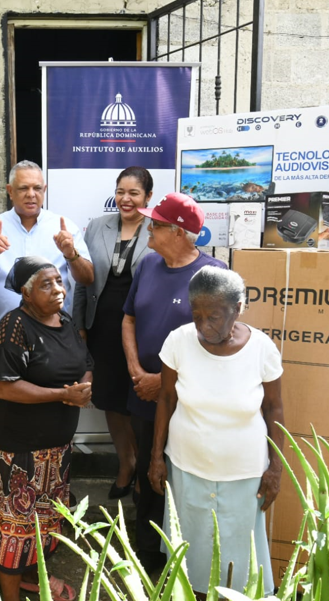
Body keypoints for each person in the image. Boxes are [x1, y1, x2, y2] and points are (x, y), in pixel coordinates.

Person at [149, 266, 285, 598]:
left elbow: (274, 409)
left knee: (241, 548)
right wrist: (156, 458)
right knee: (192, 544)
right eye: (197, 316)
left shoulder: (262, 348)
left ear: (238, 308)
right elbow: (166, 399)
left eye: (215, 316)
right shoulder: (178, 342)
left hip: (245, 473)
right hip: (186, 465)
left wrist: (276, 468)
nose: (205, 326)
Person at [122, 192, 227, 572]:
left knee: (180, 474)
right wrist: (135, 369)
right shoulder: (149, 264)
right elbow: (129, 318)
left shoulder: (213, 277)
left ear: (180, 233)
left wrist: (163, 383)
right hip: (143, 393)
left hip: (186, 400)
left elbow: (217, 344)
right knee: (147, 471)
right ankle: (147, 553)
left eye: (157, 223)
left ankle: (186, 556)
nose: (149, 227)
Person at [0, 256, 93, 601]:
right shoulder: (14, 326)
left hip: (57, 448)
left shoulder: (63, 319)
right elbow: (6, 386)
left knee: (45, 520)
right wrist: (64, 395)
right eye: (46, 284)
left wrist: (84, 388)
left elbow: (85, 361)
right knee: (16, 527)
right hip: (20, 449)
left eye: (58, 281)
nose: (58, 289)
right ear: (26, 293)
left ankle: (34, 579)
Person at [73, 166, 154, 499]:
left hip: (143, 329)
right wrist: (79, 326)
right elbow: (83, 280)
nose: (126, 199)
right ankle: (126, 463)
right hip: (102, 328)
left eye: (134, 193)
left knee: (137, 402)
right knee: (110, 401)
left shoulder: (159, 229)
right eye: (121, 192)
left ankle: (145, 468)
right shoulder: (96, 227)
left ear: (148, 197)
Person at [0, 160, 94, 347]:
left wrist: (71, 254)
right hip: (7, 341)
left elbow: (87, 278)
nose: (31, 195)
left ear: (45, 189)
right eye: (23, 188)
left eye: (37, 188)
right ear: (10, 191)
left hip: (56, 340)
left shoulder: (65, 229)